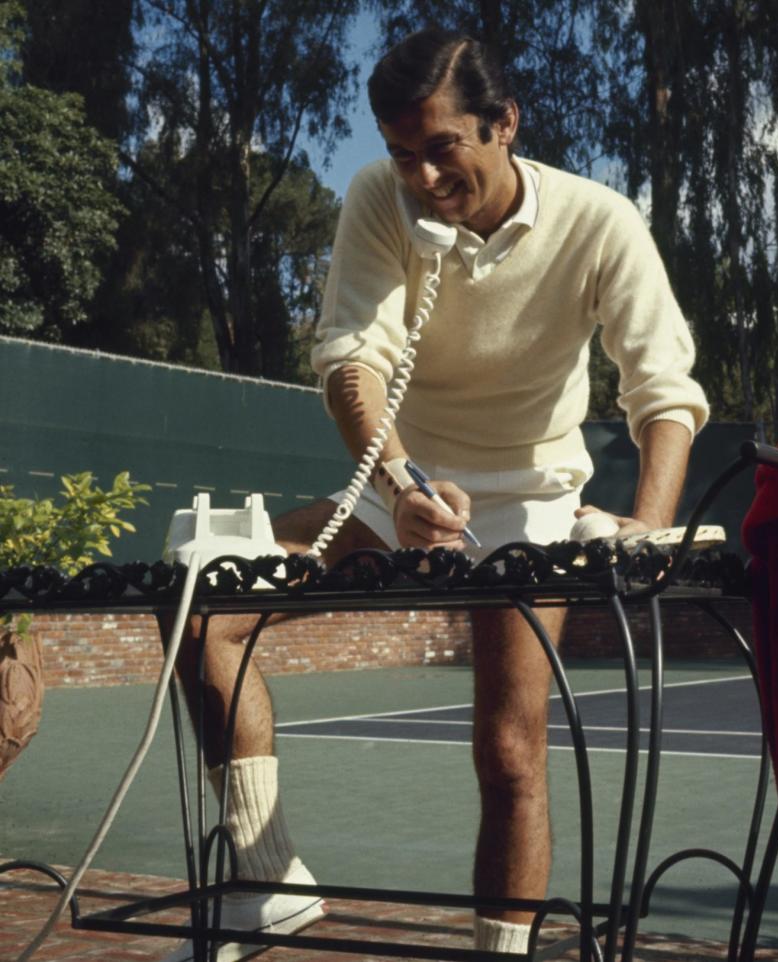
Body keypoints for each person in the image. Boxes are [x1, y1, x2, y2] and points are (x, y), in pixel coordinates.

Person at [161, 26, 709, 962]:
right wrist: (400, 479)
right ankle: (268, 881)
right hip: (399, 481)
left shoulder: (600, 219)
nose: (419, 176)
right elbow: (349, 361)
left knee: (508, 751)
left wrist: (648, 527)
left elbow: (664, 391)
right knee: (203, 609)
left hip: (536, 499)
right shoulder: (379, 198)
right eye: (400, 154)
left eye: (441, 148)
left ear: (504, 125)